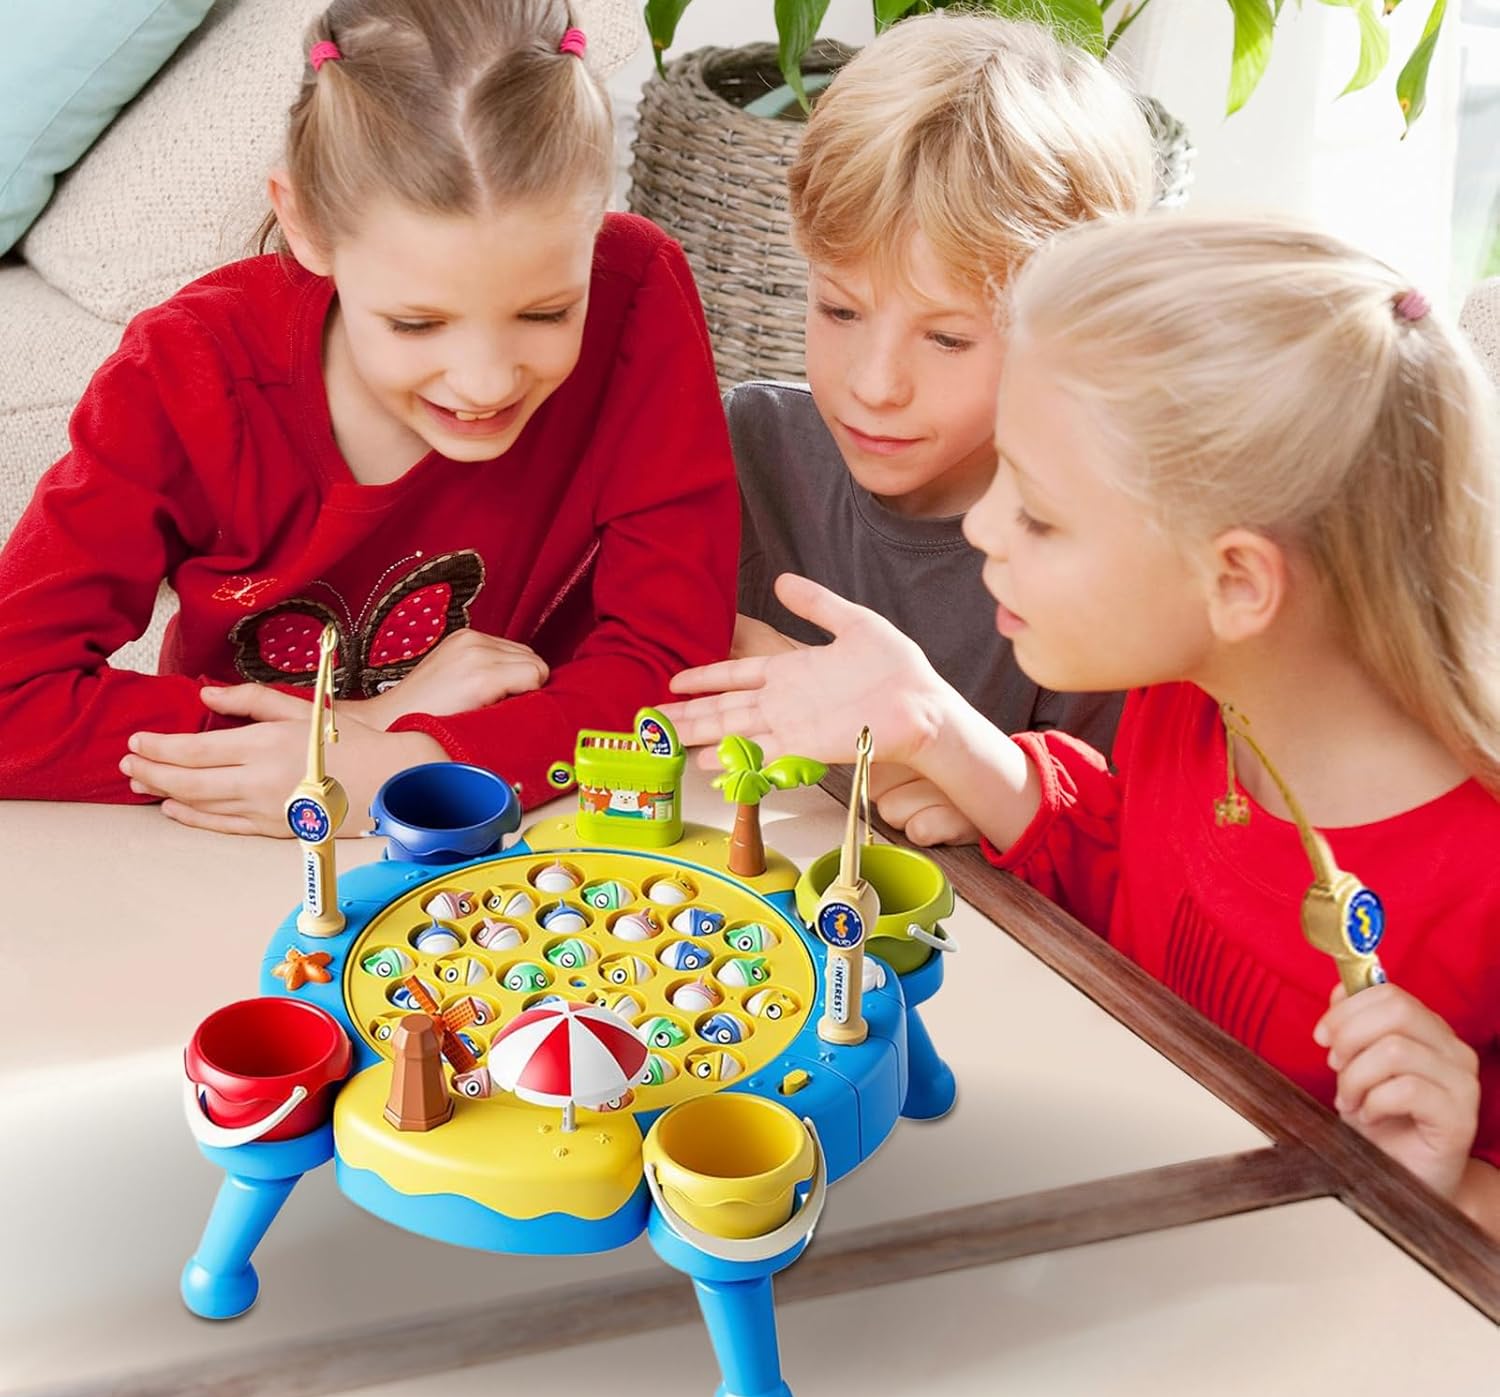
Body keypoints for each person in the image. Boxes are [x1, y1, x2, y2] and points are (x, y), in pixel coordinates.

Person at [670, 216, 1500, 1233]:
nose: (983, 527)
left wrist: (1449, 1188)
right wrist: (937, 731)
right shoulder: (1193, 702)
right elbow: (1127, 876)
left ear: (1238, 582)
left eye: (1040, 514)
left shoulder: (1481, 874)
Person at [0, 0, 737, 835]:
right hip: (237, 835)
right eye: (417, 324)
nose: (485, 382)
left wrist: (413, 763)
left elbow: (671, 659)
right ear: (306, 223)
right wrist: (348, 738)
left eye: (547, 313)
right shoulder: (187, 368)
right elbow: (11, 701)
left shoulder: (635, 290)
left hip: (533, 826)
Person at [725, 12, 1155, 844]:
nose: (874, 385)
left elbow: (1112, 855)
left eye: (948, 339)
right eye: (839, 309)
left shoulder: (1103, 562)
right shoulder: (750, 447)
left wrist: (959, 776)